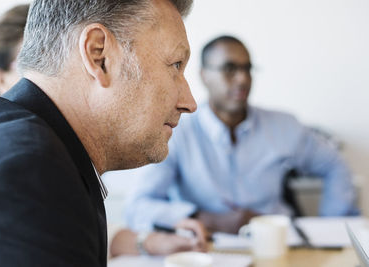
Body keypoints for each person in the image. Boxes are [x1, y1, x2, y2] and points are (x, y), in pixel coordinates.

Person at [0, 0, 202, 266]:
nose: (189, 102)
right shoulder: (31, 175)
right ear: (98, 55)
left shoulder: (15, 141)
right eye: (175, 65)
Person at [125, 35, 359, 234]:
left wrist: (330, 226)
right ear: (204, 75)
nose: (243, 79)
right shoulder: (175, 132)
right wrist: (205, 219)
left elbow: (334, 166)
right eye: (230, 69)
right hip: (208, 248)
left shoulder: (283, 126)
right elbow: (138, 207)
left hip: (281, 243)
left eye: (247, 68)